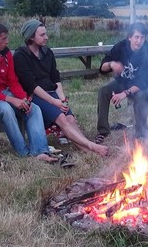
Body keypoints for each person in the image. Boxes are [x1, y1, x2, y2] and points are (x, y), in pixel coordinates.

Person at [13, 19, 108, 157]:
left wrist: (62, 98)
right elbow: (31, 85)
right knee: (62, 119)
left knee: (70, 120)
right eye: (42, 35)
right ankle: (91, 146)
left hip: (53, 93)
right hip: (36, 96)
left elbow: (56, 78)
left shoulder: (47, 53)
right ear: (31, 37)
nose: (46, 37)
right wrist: (54, 102)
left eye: (46, 34)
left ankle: (88, 150)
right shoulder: (21, 56)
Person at [0, 22, 58, 163]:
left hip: (4, 91)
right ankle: (23, 152)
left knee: (33, 109)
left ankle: (40, 151)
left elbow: (13, 81)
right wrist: (12, 100)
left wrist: (23, 98)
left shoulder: (6, 54)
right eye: (4, 38)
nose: (7, 41)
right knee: (6, 110)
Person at [95, 22, 148, 143]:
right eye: (136, 37)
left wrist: (124, 94)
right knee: (103, 91)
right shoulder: (121, 47)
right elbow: (102, 68)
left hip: (140, 86)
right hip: (122, 82)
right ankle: (103, 131)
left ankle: (141, 132)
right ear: (130, 37)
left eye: (142, 37)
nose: (139, 41)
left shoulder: (146, 52)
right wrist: (111, 64)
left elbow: (144, 81)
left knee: (140, 96)